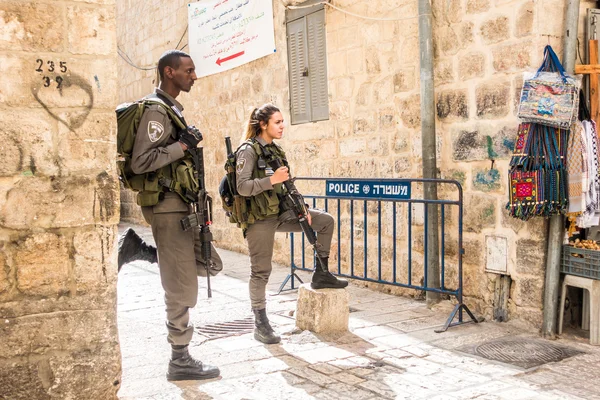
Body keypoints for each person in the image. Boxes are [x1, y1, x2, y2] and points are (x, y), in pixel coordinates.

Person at [130, 49, 221, 381]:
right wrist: (181, 147)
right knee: (180, 283)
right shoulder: (157, 111)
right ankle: (179, 358)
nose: (194, 76)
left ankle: (142, 252)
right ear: (169, 72)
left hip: (181, 207)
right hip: (167, 207)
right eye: (189, 70)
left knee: (210, 262)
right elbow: (140, 162)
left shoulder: (172, 111)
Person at [235, 103, 348, 344]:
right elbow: (242, 187)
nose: (282, 125)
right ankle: (261, 322)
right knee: (261, 271)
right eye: (277, 122)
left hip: (281, 212)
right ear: (263, 124)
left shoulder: (276, 151)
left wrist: (303, 208)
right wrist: (270, 180)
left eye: (283, 121)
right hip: (258, 218)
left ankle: (321, 273)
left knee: (325, 221)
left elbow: (287, 184)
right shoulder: (248, 150)